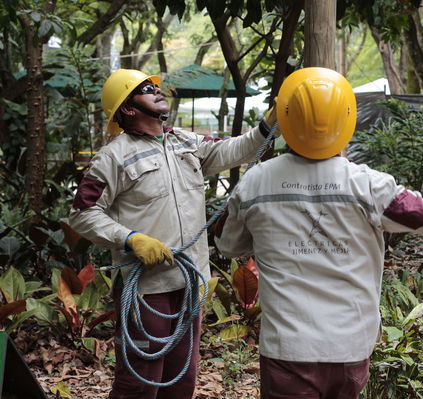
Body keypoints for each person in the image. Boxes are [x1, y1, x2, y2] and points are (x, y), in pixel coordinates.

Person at [214, 67, 423, 399]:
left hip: (287, 350)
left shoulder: (255, 182)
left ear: (284, 117)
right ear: (347, 120)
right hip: (349, 348)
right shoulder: (368, 185)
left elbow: (227, 243)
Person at [69, 68, 276, 399]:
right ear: (127, 108)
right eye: (145, 88)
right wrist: (130, 238)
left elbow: (234, 150)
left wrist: (269, 123)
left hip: (189, 283)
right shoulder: (113, 157)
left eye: (155, 85)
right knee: (139, 383)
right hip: (145, 289)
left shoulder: (186, 142)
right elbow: (82, 213)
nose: (156, 90)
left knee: (181, 383)